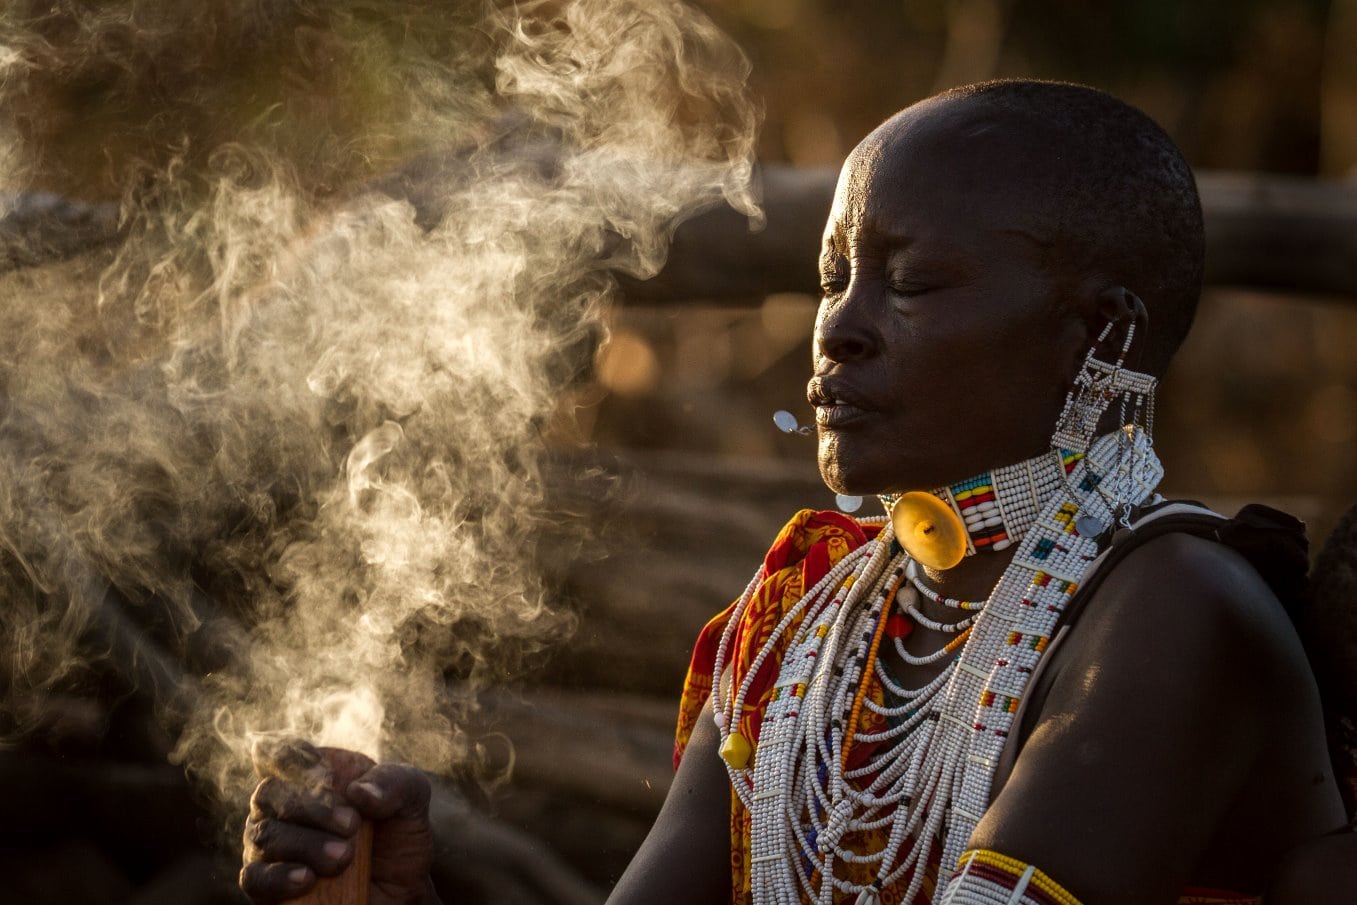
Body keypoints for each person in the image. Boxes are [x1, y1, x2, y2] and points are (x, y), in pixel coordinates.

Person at [239, 80, 1350, 905]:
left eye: (908, 283)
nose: (839, 328)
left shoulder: (1169, 610)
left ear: (1100, 331)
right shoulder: (804, 620)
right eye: (832, 280)